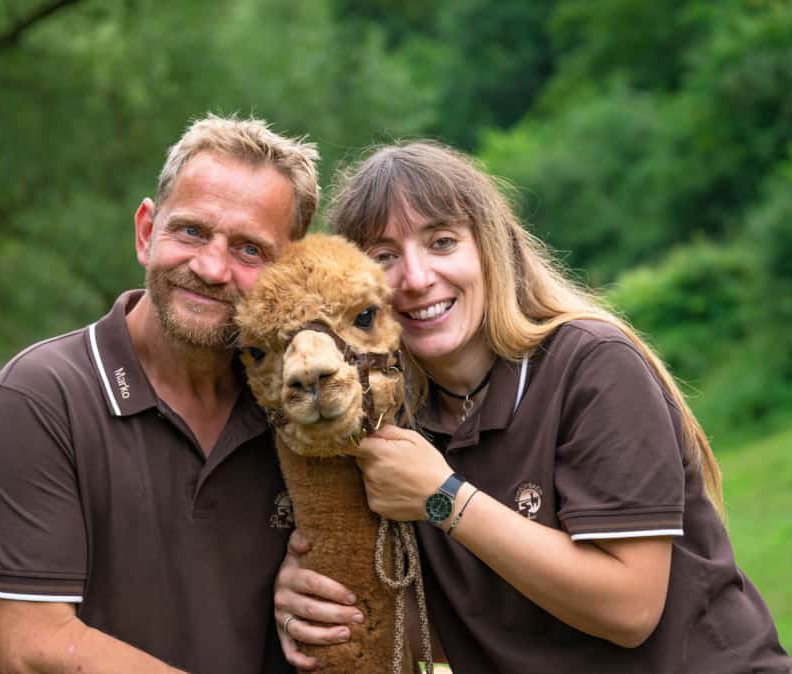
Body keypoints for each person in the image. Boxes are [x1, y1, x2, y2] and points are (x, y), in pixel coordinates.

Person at [274, 141, 791, 673]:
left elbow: (630, 607)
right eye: (383, 257)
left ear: (491, 249)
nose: (417, 277)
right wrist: (313, 602)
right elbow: (453, 631)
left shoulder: (591, 365)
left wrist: (442, 499)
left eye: (443, 242)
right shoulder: (389, 426)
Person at [0, 114, 319, 674]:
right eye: (192, 232)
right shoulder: (44, 394)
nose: (210, 267)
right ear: (145, 232)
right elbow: (31, 648)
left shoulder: (303, 408)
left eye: (249, 250)